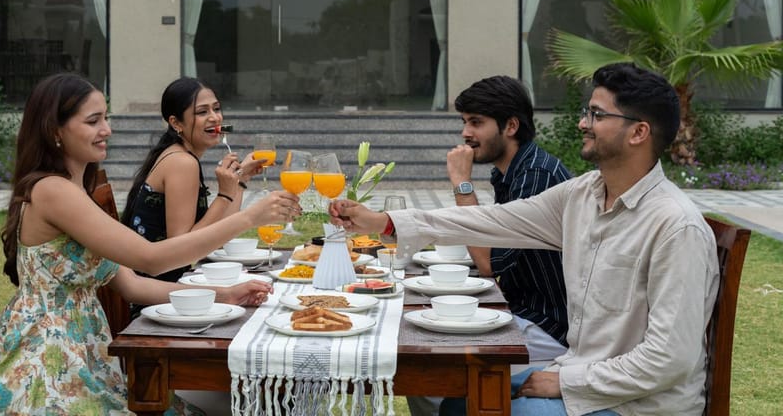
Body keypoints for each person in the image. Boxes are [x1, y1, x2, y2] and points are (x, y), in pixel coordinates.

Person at [332, 63, 719, 416]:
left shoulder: (676, 227)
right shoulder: (582, 195)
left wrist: (565, 382)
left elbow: (670, 359)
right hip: (580, 373)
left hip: (639, 406)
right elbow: (493, 221)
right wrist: (382, 221)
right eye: (588, 112)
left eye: (597, 115)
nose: (583, 123)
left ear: (639, 132)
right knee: (457, 401)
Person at [0, 73, 301, 416]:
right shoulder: (53, 191)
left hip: (83, 358)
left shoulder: (72, 190)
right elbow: (151, 258)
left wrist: (224, 294)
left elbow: (133, 284)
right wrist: (248, 218)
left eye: (105, 118)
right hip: (44, 370)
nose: (107, 129)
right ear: (55, 131)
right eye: (93, 121)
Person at [408, 76, 571, 416]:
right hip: (518, 311)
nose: (466, 133)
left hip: (549, 329)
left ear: (511, 125)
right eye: (464, 122)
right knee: (422, 350)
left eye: (476, 122)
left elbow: (489, 264)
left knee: (431, 370)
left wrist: (461, 183)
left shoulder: (537, 176)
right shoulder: (511, 171)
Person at [121, 77, 269, 284]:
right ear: (176, 123)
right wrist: (224, 195)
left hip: (174, 282)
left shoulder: (181, 156)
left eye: (216, 109)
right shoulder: (182, 163)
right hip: (161, 292)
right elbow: (183, 248)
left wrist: (240, 180)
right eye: (202, 112)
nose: (215, 118)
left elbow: (218, 234)